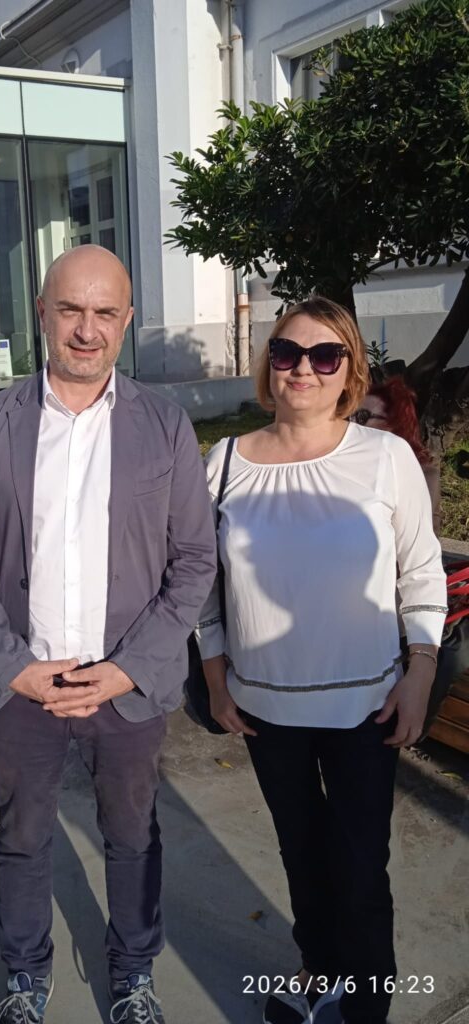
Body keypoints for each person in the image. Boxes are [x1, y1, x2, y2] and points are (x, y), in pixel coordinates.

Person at [0, 244, 217, 1024]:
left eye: (103, 313)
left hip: (126, 685)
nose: (86, 330)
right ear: (42, 314)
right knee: (23, 837)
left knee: (133, 835)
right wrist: (12, 666)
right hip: (22, 685)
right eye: (70, 310)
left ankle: (133, 974)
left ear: (126, 320)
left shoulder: (164, 425)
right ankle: (25, 977)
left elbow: (195, 561)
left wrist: (131, 668)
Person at [197, 297, 446, 1024]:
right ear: (268, 365)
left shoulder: (385, 457)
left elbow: (421, 571)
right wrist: (215, 680)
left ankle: (366, 1007)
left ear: (349, 370)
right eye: (287, 352)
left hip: (366, 707)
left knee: (362, 872)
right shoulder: (225, 462)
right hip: (263, 708)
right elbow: (202, 585)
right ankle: (319, 972)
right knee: (300, 855)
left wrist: (421, 672)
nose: (303, 368)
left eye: (324, 355)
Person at [352, 375, 442, 534]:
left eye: (362, 416)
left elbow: (417, 540)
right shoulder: (346, 465)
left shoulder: (423, 475)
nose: (352, 424)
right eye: (351, 417)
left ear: (393, 423)